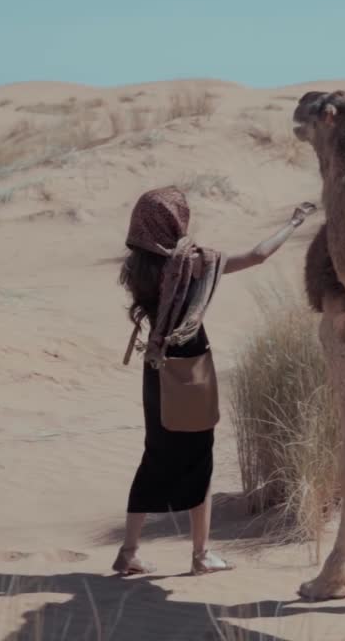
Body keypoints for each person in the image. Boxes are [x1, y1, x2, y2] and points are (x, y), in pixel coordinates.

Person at [115, 186, 316, 576]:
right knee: (199, 460)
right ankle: (201, 554)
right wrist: (293, 223)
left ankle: (128, 551)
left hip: (156, 368)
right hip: (190, 367)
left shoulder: (137, 267)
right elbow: (258, 255)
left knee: (154, 456)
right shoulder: (192, 263)